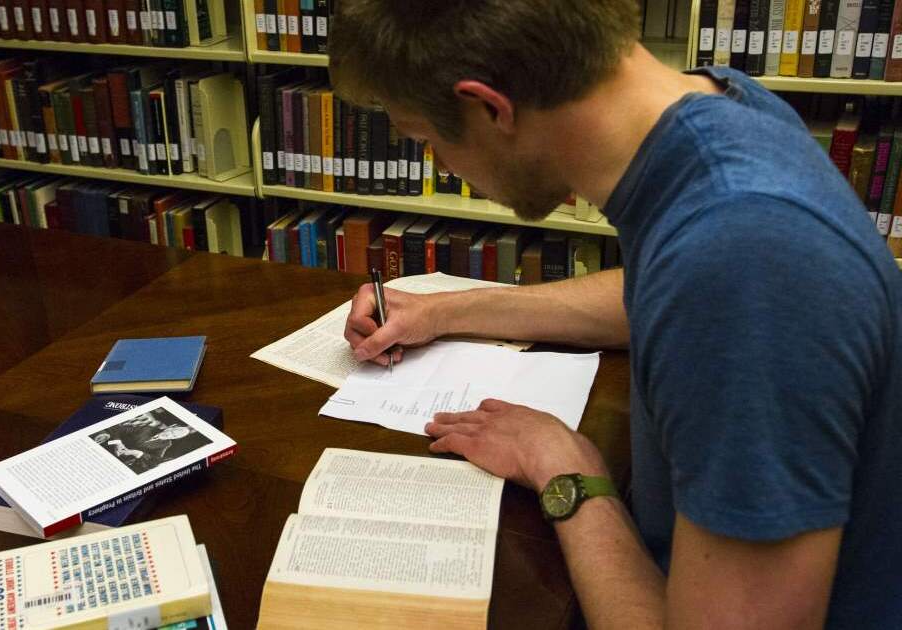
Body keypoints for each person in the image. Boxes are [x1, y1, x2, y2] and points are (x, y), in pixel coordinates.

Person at [331, 1, 902, 628]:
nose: (440, 163)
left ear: (491, 108)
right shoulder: (719, 107)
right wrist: (445, 311)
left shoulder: (746, 255)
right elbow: (659, 295)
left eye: (426, 138)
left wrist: (567, 471)